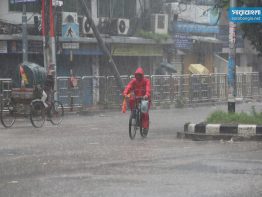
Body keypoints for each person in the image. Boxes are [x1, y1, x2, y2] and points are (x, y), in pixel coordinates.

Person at [123, 67, 151, 133]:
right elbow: (128, 87)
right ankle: (135, 117)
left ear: (142, 75)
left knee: (144, 113)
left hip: (145, 98)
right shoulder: (134, 81)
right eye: (137, 75)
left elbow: (148, 89)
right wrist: (125, 93)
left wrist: (146, 95)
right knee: (132, 103)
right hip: (137, 98)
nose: (138, 76)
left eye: (139, 75)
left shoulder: (146, 81)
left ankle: (145, 127)